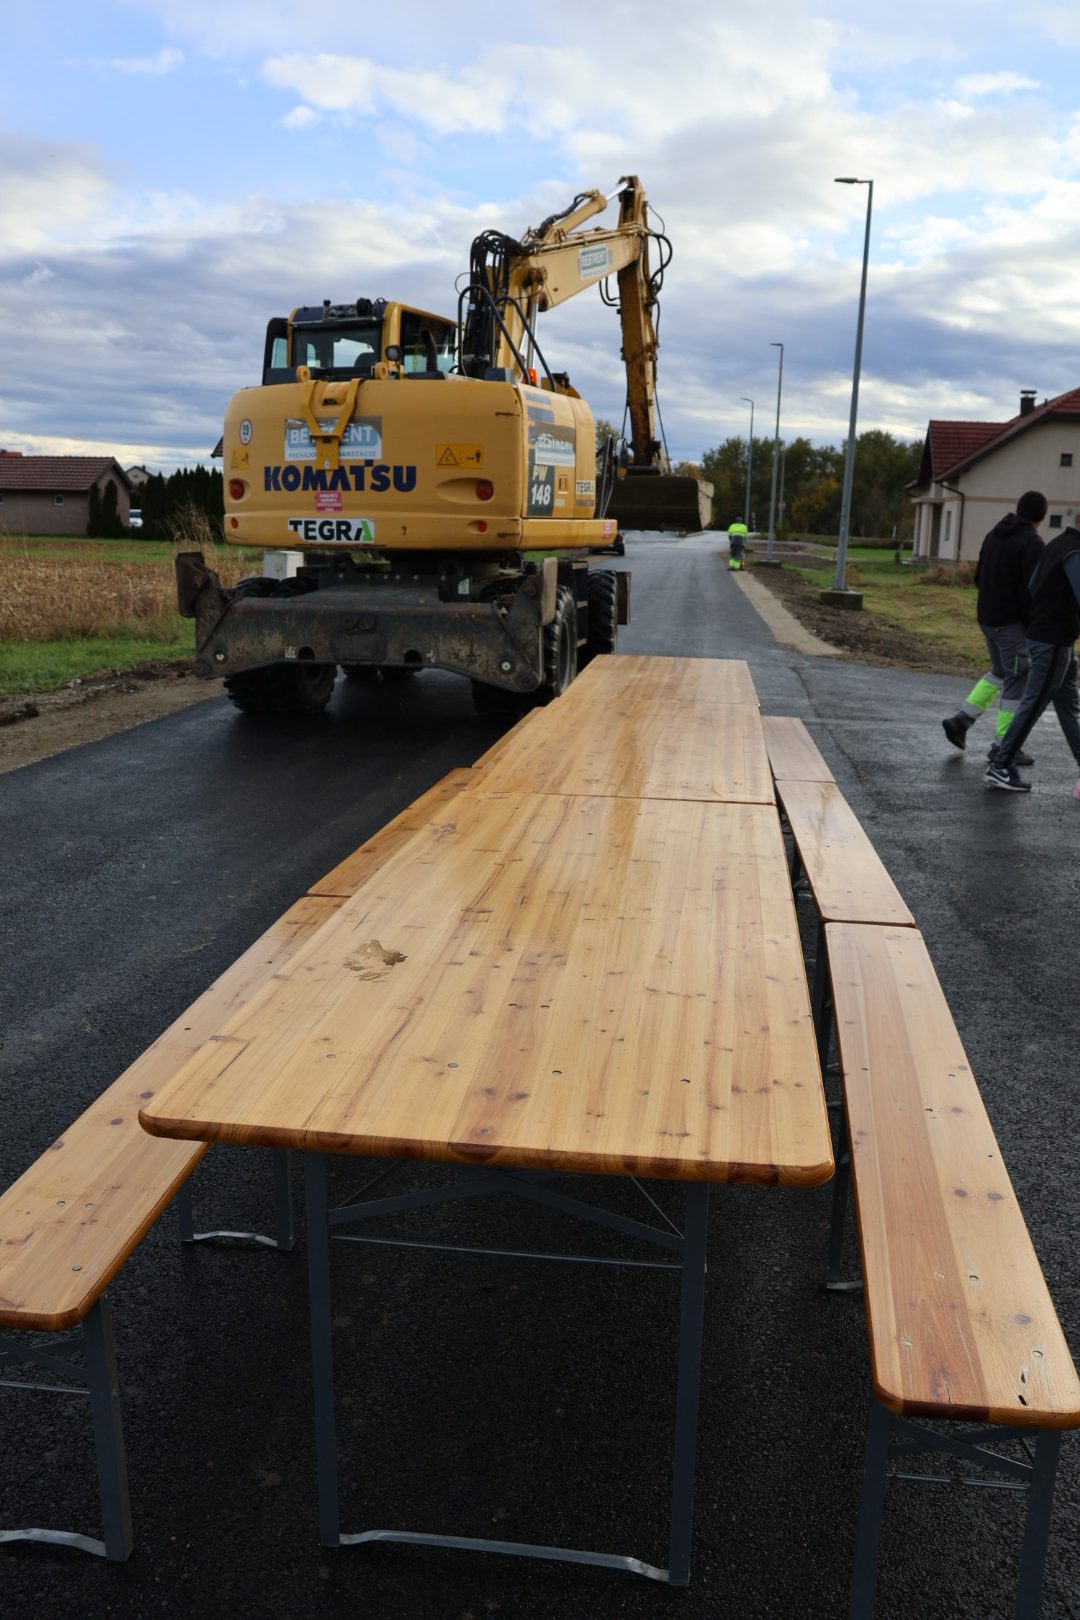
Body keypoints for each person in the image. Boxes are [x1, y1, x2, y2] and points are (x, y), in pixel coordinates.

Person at [942, 491, 1047, 765]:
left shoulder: (994, 534)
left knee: (1000, 672)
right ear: (1042, 516)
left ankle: (961, 720)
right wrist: (1032, 623)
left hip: (987, 618)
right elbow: (1031, 589)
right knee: (1017, 679)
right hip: (1010, 624)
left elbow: (978, 576)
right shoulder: (1032, 542)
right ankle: (1004, 746)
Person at [985, 525, 1080, 793]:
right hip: (1053, 640)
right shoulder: (1075, 550)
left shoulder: (1057, 543)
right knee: (1034, 704)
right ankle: (1000, 765)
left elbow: (1033, 584)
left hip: (1050, 637)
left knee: (1068, 707)